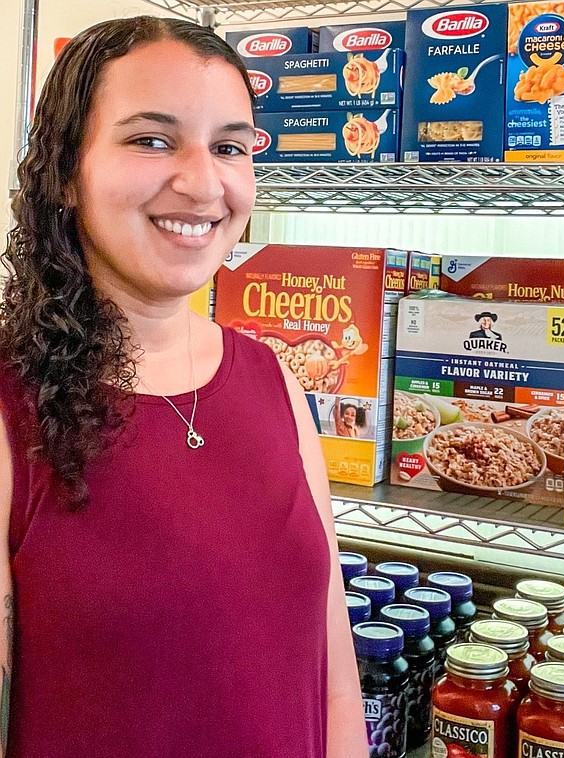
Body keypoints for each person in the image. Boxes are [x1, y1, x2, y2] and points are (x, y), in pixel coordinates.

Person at [0, 17, 367, 758]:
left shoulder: (274, 381)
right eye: (151, 140)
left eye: (229, 147)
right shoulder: (12, 408)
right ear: (67, 171)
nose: (203, 183)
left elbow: (331, 675)